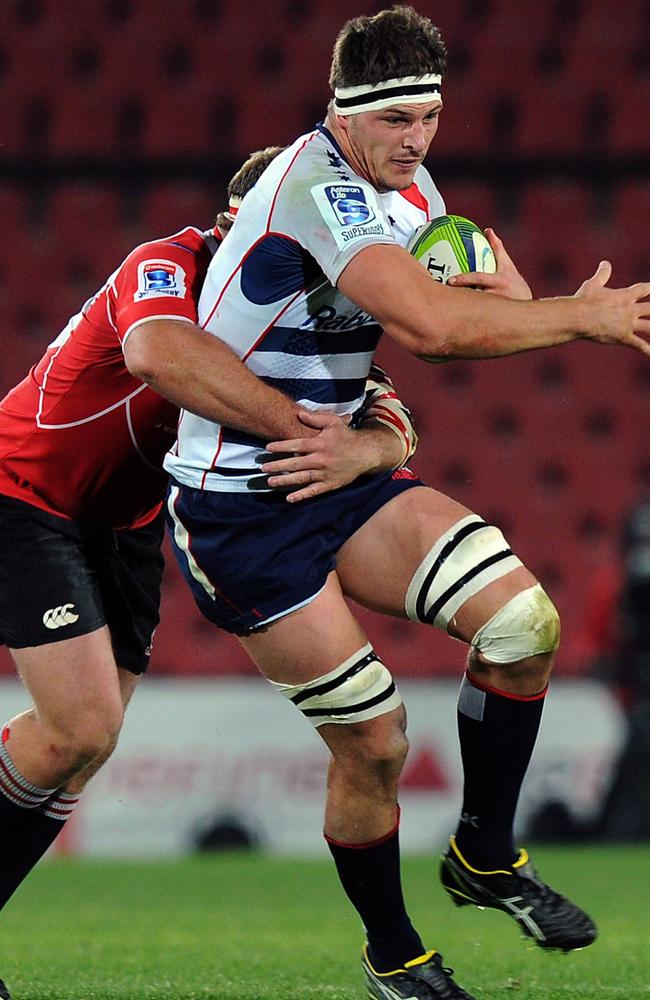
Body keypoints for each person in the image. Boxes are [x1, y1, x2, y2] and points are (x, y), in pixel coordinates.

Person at [164, 7, 650, 1000]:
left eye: (427, 115)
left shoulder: (408, 185)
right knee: (376, 739)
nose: (416, 138)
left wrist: (514, 290)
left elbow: (483, 296)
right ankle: (395, 955)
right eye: (392, 120)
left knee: (521, 623)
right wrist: (579, 320)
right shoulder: (313, 186)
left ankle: (481, 854)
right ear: (340, 115)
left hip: (337, 470)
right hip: (241, 504)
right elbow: (429, 329)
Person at [0, 150, 417, 1000]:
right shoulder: (164, 263)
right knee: (78, 728)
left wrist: (372, 441)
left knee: (84, 748)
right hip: (24, 492)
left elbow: (389, 411)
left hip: (128, 524)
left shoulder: (291, 309)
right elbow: (156, 352)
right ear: (236, 219)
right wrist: (303, 424)